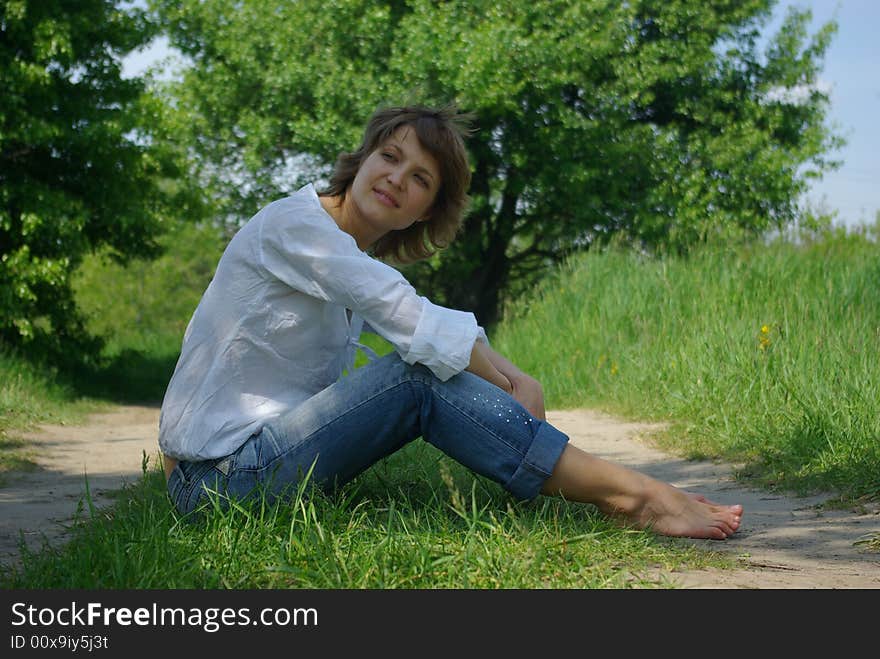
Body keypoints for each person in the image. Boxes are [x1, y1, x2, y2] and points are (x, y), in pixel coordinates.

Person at [158, 104, 743, 540]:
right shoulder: (297, 228)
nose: (396, 178)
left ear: (426, 211)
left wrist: (515, 377)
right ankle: (633, 495)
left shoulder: (342, 255)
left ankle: (609, 487)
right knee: (416, 380)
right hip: (221, 483)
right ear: (361, 162)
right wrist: (510, 384)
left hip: (238, 470)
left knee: (419, 369)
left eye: (420, 179)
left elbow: (410, 313)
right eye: (390, 157)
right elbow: (407, 314)